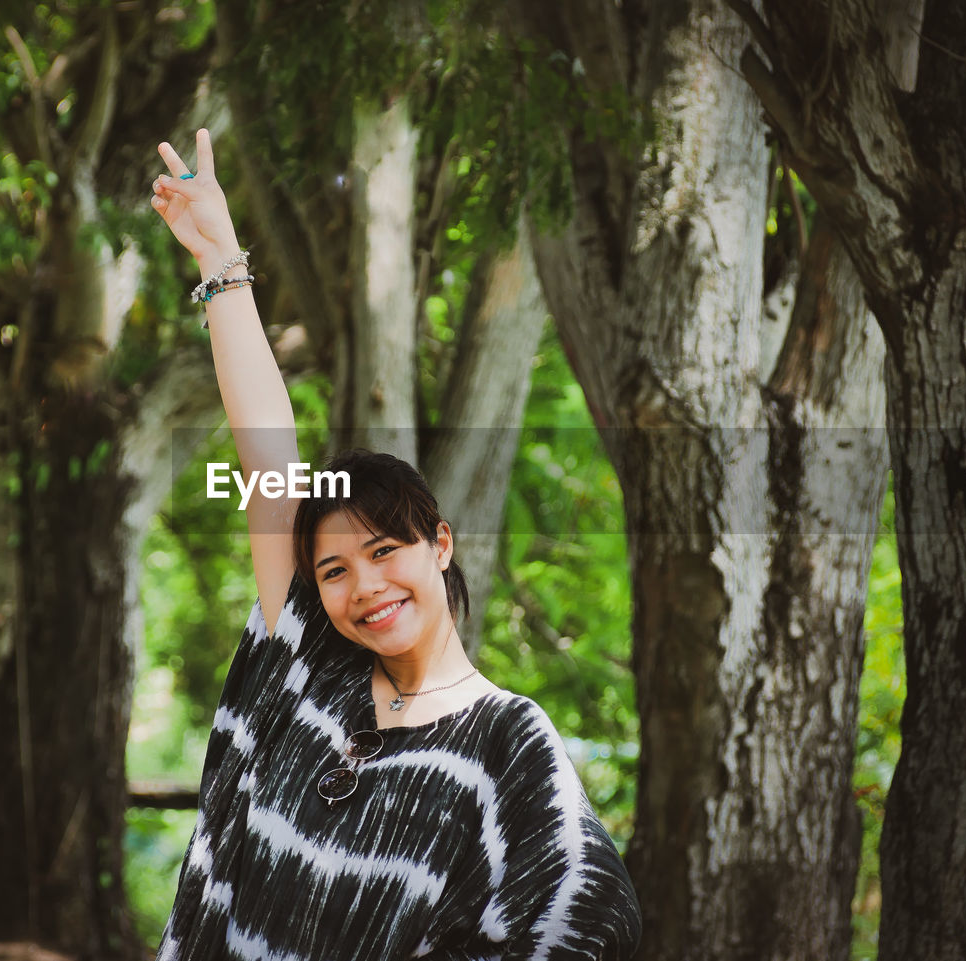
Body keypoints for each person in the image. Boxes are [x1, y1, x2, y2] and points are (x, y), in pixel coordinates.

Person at [150, 129, 641, 961]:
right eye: (333, 569)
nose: (362, 586)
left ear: (439, 545)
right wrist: (221, 263)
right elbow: (268, 456)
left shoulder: (507, 744)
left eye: (383, 551)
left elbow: (585, 920)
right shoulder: (312, 667)